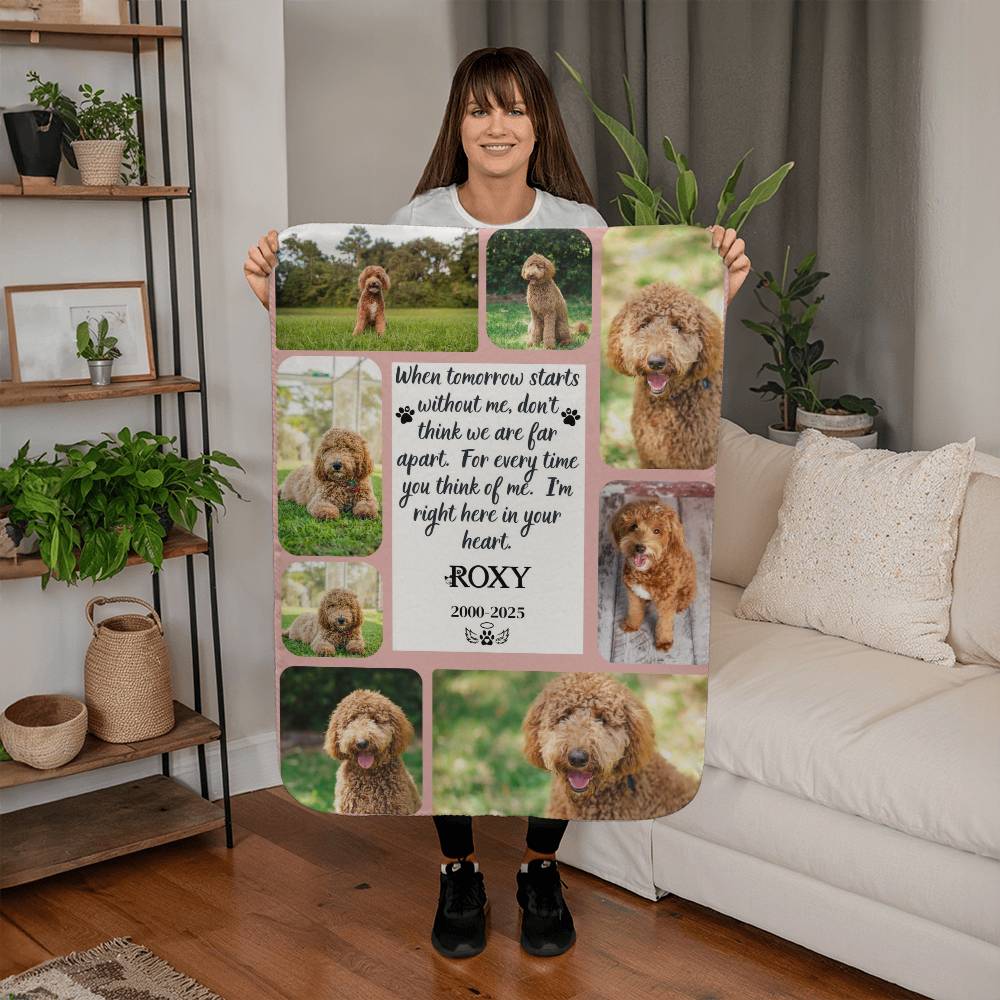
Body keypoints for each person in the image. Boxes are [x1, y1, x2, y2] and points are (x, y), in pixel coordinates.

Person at [243, 46, 750, 961]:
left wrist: (719, 284)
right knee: (431, 655)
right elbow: (388, 355)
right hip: (448, 489)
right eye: (480, 109)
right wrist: (272, 297)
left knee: (552, 665)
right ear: (460, 124)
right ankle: (459, 869)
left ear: (538, 123)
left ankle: (541, 866)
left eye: (515, 108)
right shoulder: (417, 221)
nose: (497, 125)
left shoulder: (582, 224)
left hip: (544, 490)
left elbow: (614, 357)